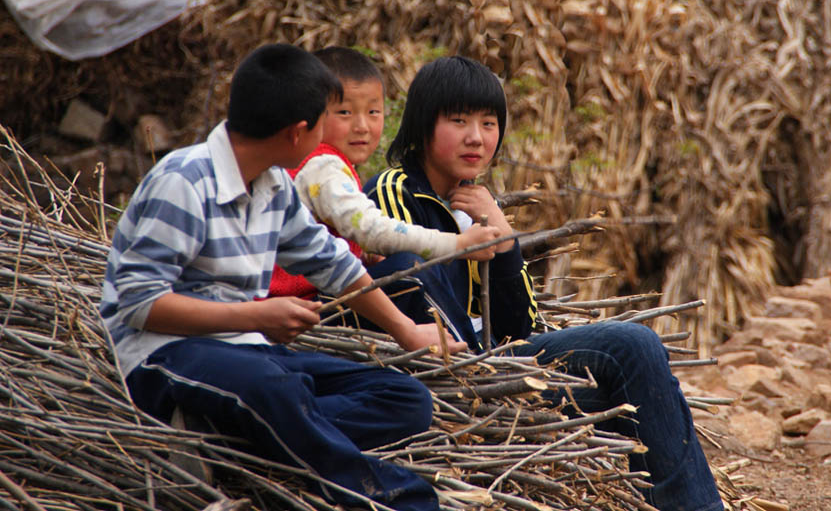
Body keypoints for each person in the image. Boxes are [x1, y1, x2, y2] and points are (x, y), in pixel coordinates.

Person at [99, 43, 464, 511]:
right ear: (298, 133)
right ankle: (398, 497)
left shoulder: (272, 186)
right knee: (277, 391)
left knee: (405, 398)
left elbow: (330, 260)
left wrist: (404, 329)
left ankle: (225, 439)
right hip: (165, 355)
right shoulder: (184, 181)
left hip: (250, 355)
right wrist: (256, 314)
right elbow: (138, 304)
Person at [364, 56, 723, 511]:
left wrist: (500, 230)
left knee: (643, 378)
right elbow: (411, 288)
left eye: (489, 123)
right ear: (421, 126)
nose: (476, 136)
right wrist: (464, 245)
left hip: (498, 367)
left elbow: (523, 325)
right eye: (458, 121)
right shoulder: (394, 192)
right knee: (632, 345)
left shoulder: (472, 202)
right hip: (458, 375)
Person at [269, 46, 500, 302]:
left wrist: (360, 254)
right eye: (345, 112)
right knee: (409, 268)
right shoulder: (322, 167)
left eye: (373, 112)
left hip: (317, 298)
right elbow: (373, 230)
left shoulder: (326, 165)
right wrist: (458, 245)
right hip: (304, 305)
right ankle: (463, 344)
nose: (362, 127)